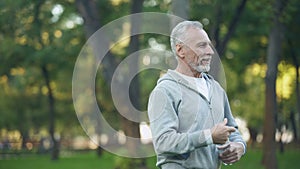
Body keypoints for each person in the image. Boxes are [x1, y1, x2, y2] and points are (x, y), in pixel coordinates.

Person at [147, 21, 246, 169]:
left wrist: (239, 146)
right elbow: (163, 142)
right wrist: (208, 136)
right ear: (180, 50)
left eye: (209, 45)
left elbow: (232, 130)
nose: (210, 51)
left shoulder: (216, 89)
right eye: (202, 45)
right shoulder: (165, 91)